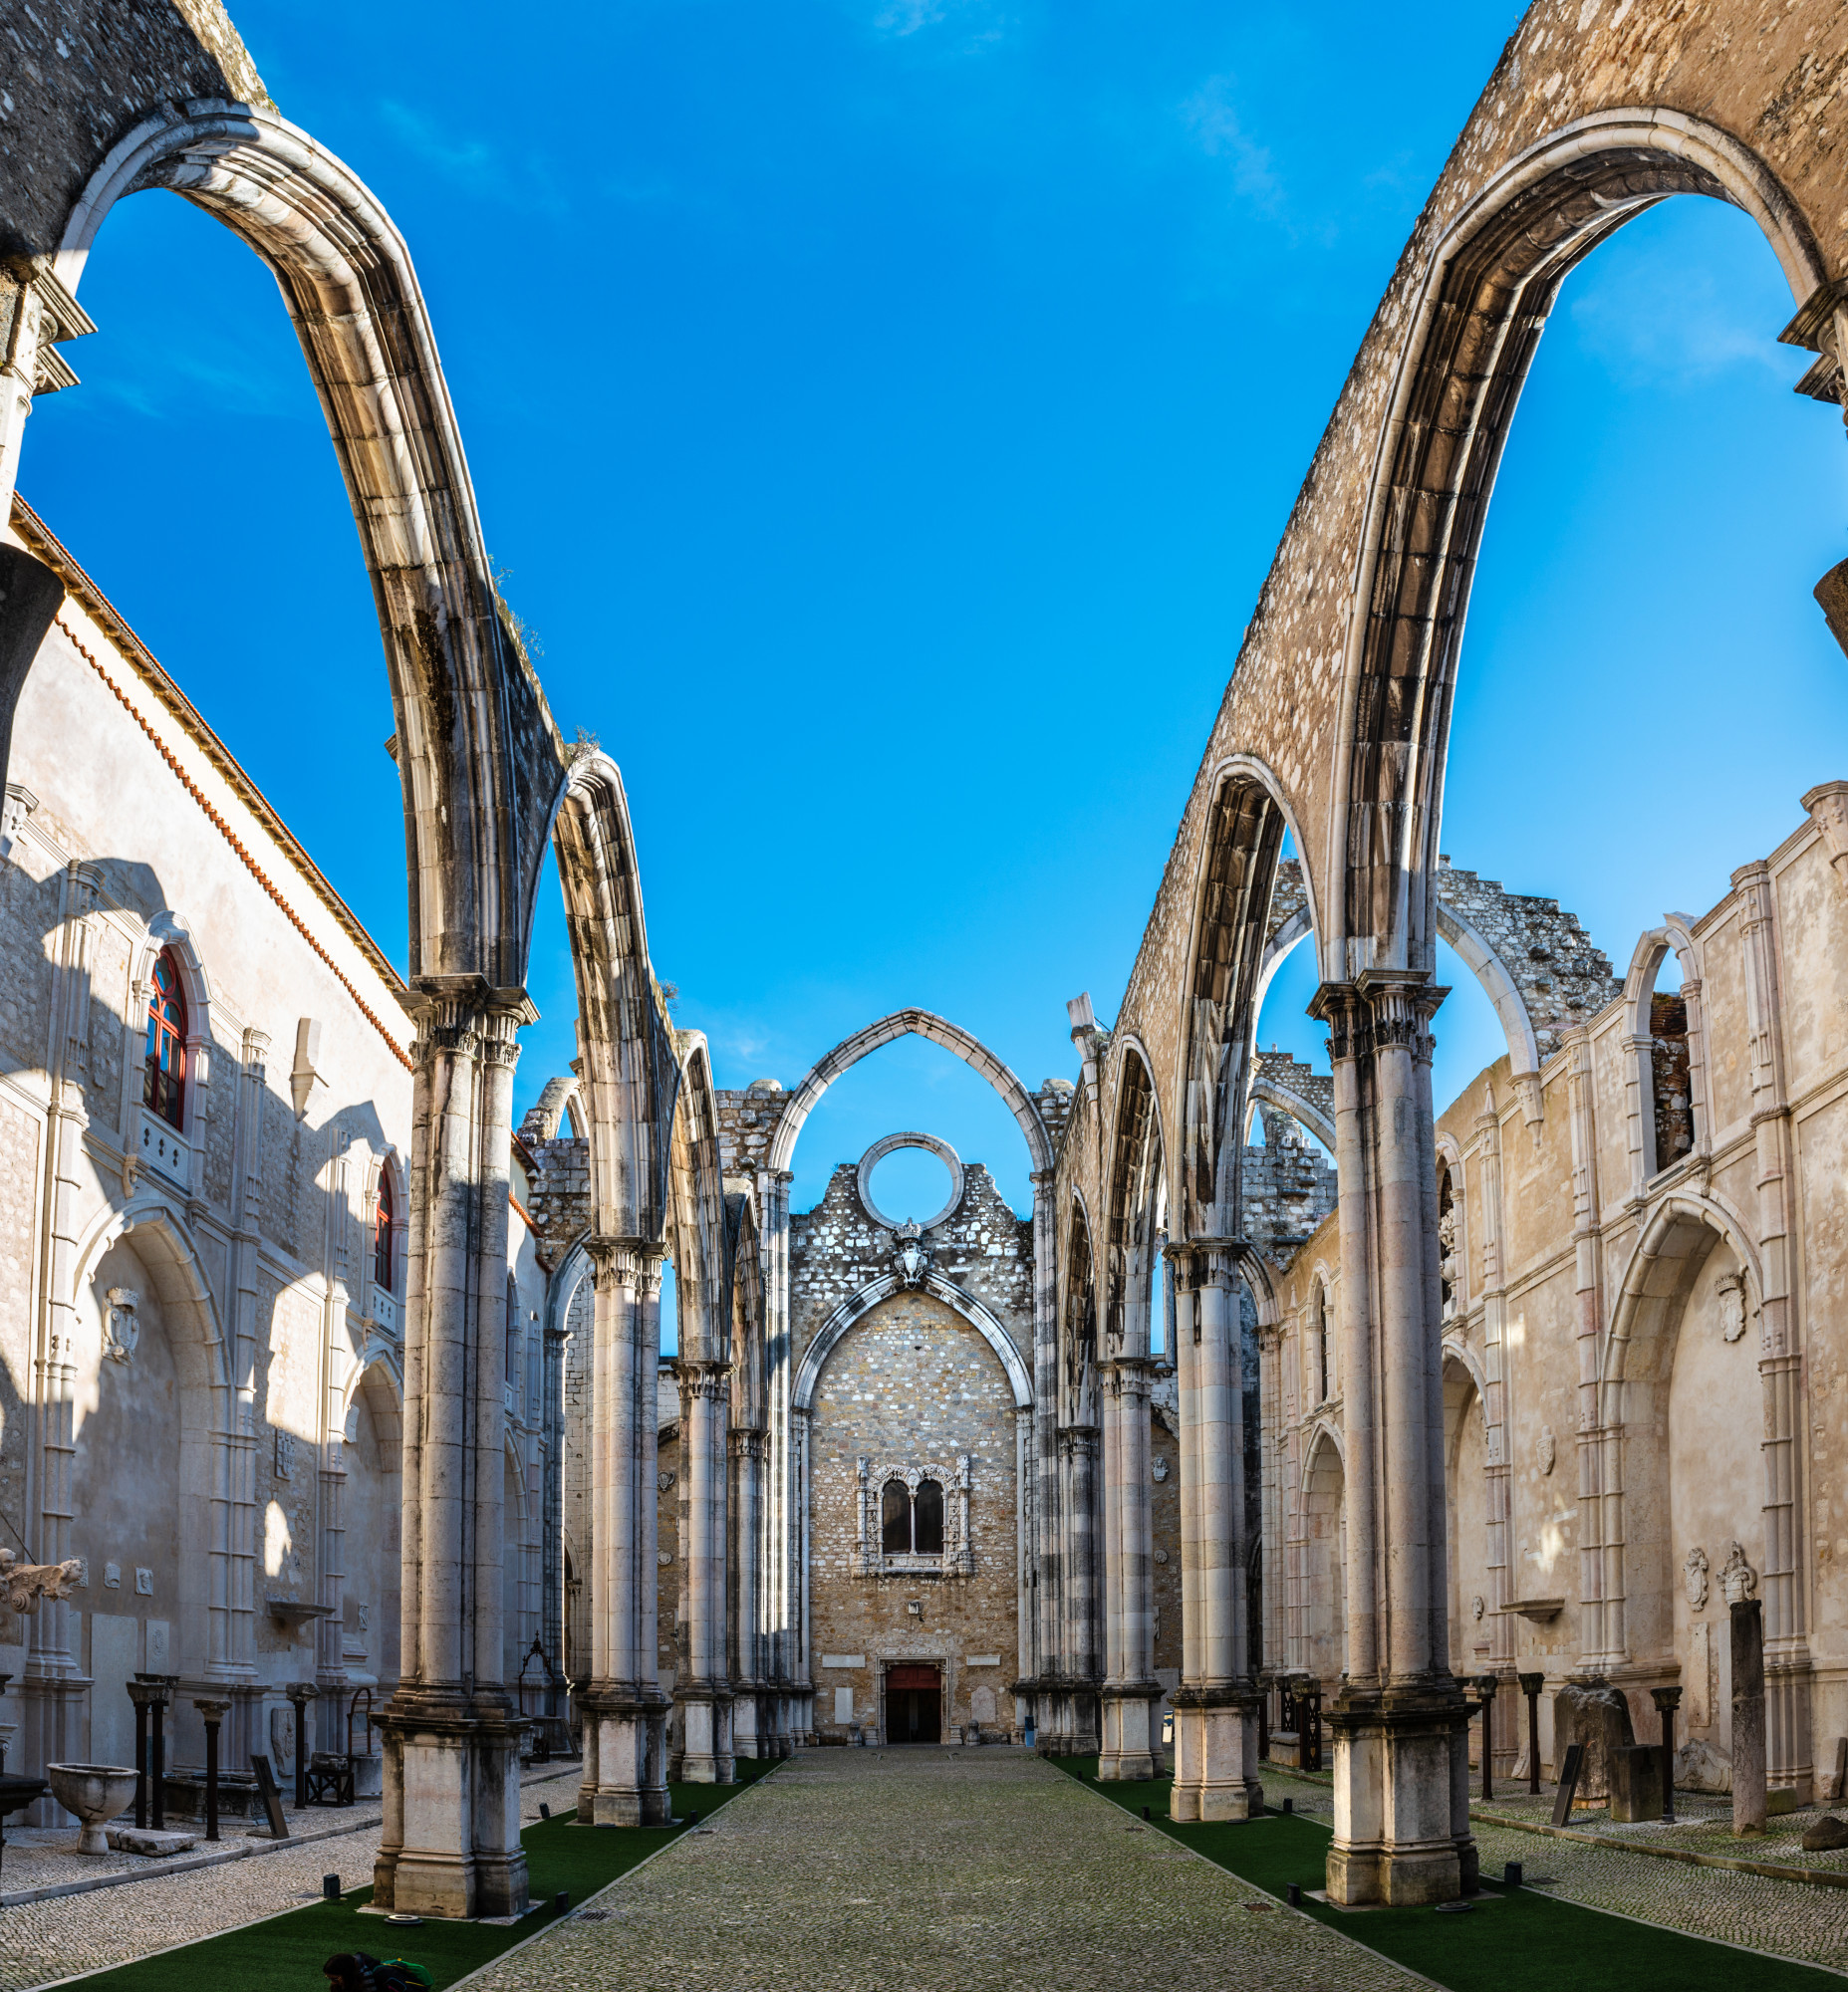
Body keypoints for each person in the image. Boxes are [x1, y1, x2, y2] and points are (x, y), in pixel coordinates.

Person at [323, 1954, 432, 1992]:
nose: (333, 1982)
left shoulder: (382, 1975)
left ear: (347, 1974)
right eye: (329, 1978)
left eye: (335, 1979)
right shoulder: (353, 1978)